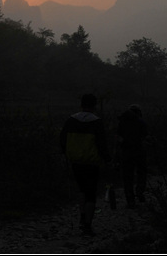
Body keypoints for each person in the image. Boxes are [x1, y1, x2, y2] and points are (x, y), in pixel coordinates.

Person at [59, 93, 111, 236]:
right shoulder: (97, 122)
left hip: (75, 161)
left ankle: (82, 216)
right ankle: (87, 224)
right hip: (92, 162)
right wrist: (108, 159)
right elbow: (102, 145)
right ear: (94, 106)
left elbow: (62, 140)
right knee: (91, 193)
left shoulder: (71, 120)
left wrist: (64, 154)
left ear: (81, 104)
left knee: (81, 189)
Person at [116, 104, 148, 209]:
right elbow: (145, 137)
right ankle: (139, 191)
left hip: (126, 152)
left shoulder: (122, 122)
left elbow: (118, 137)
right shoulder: (141, 122)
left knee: (127, 177)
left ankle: (130, 200)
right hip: (139, 151)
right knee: (141, 173)